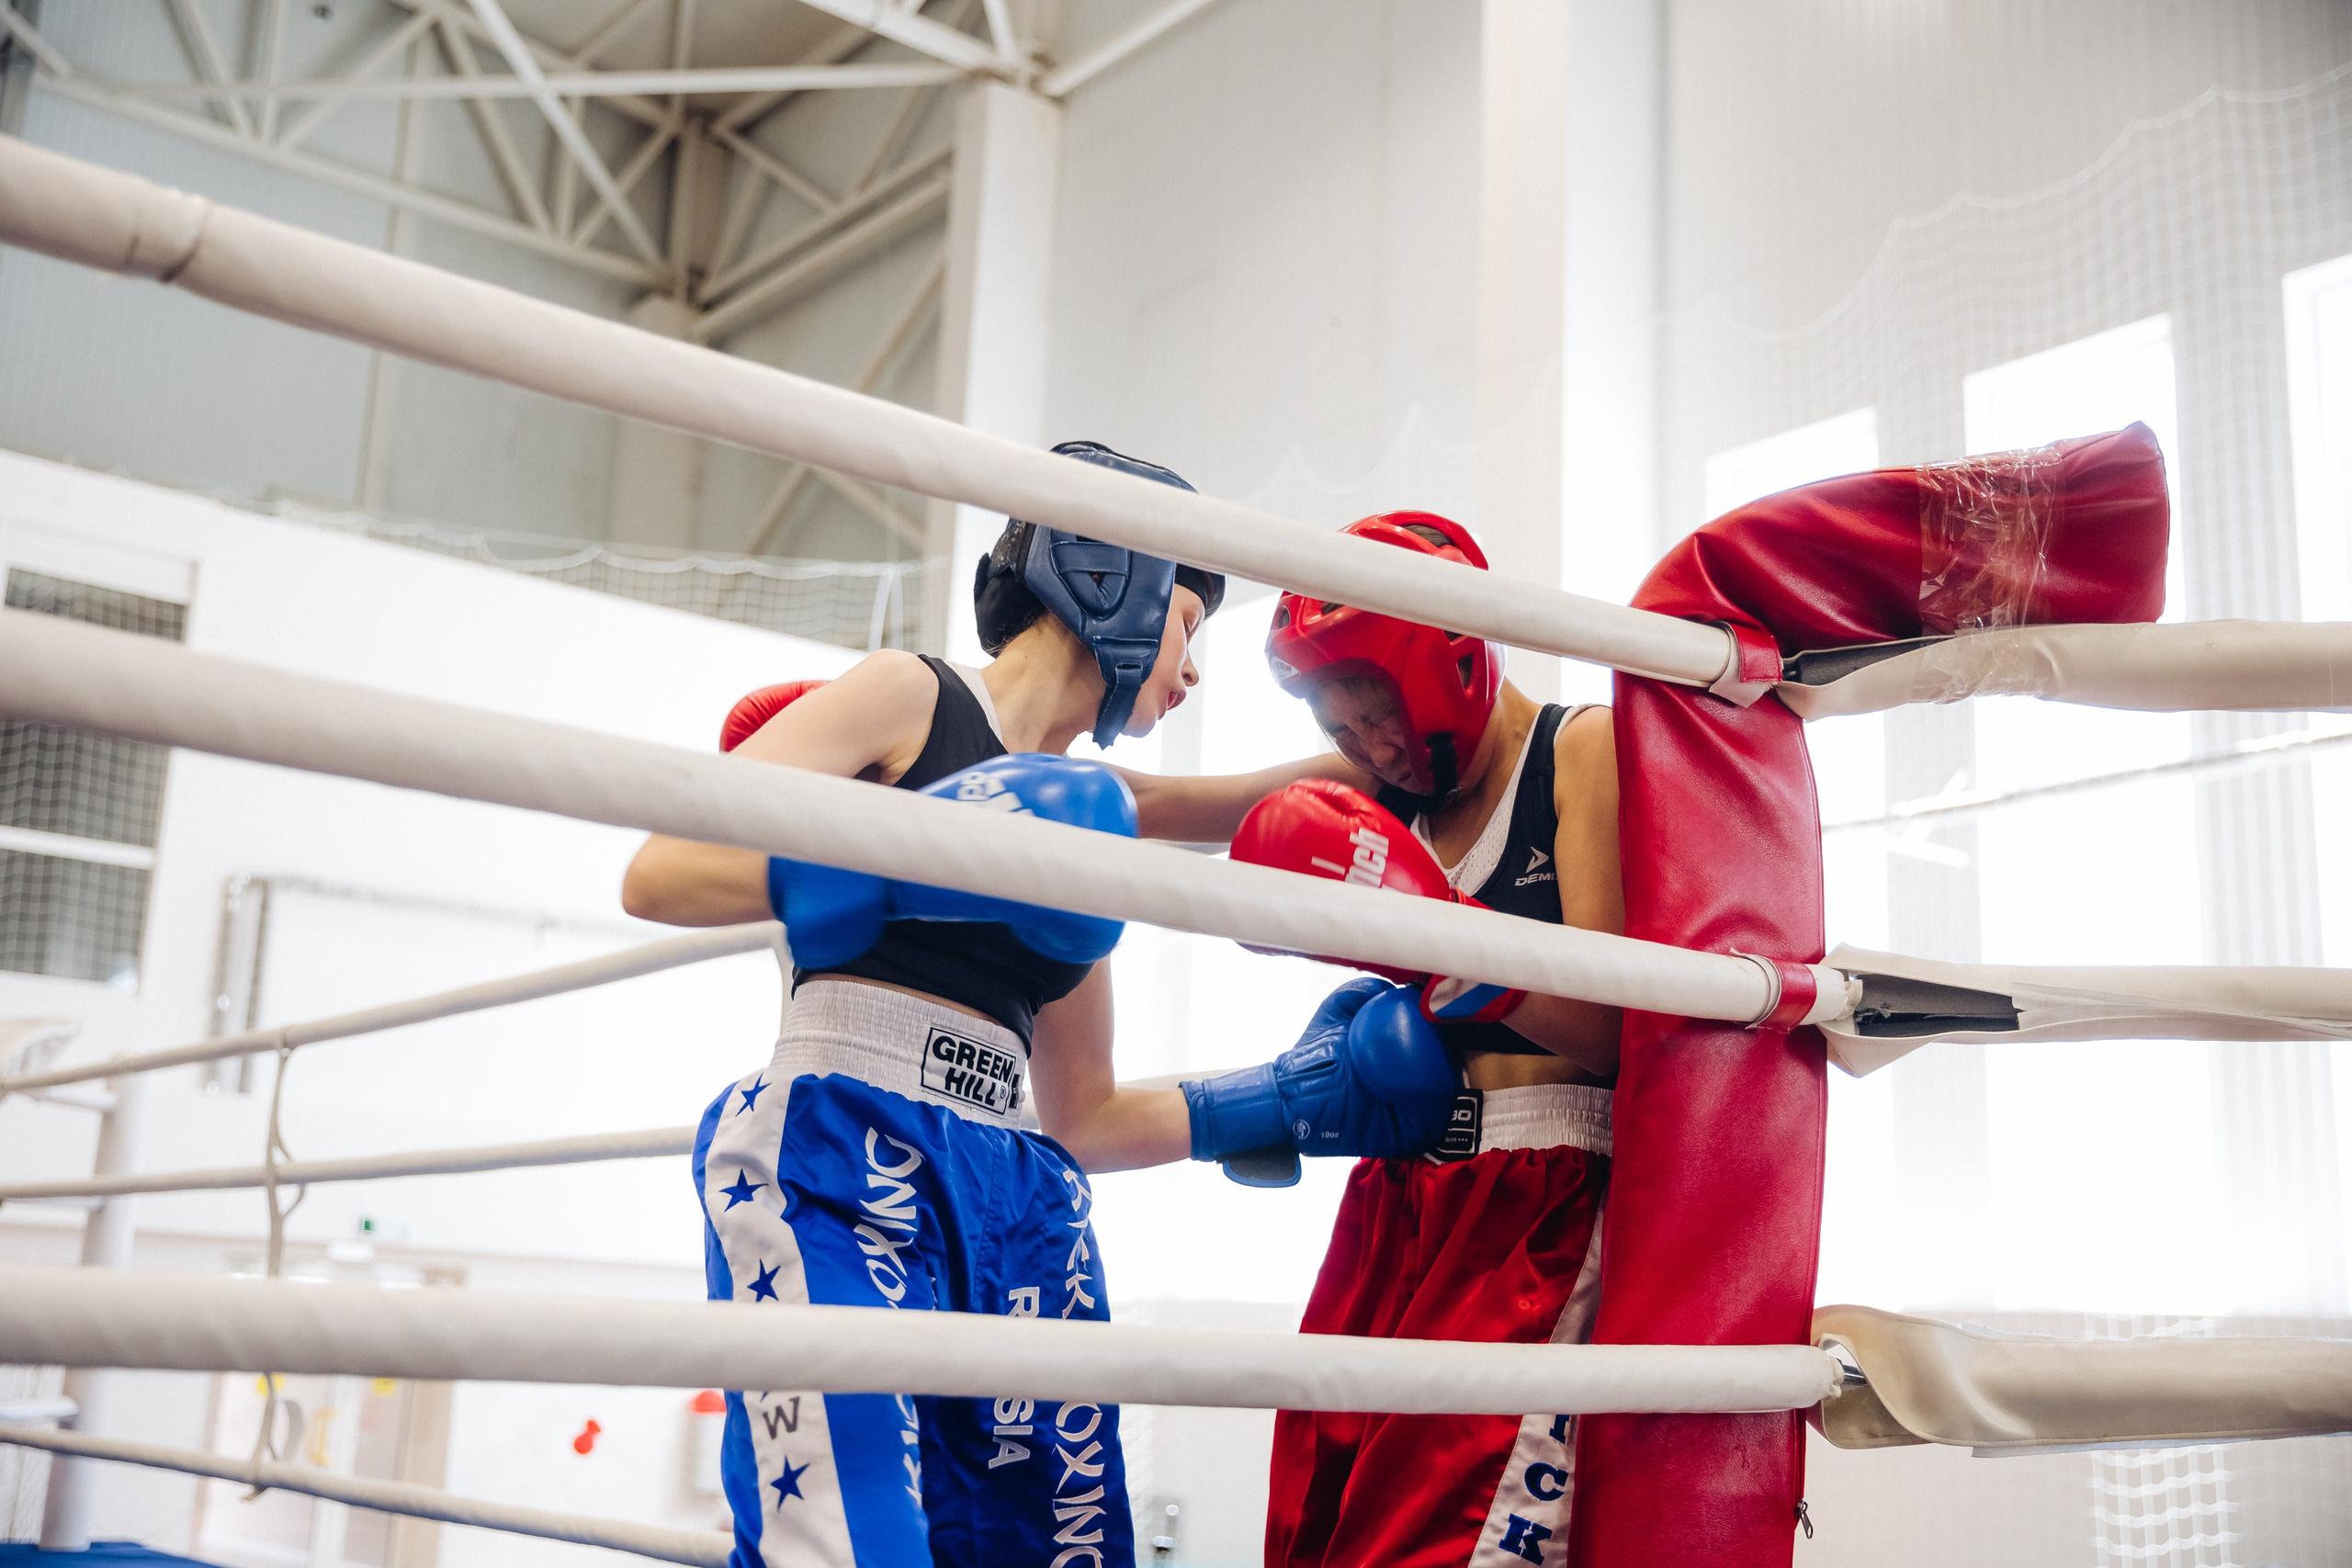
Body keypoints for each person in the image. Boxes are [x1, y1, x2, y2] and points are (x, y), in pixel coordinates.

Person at [619, 444, 1460, 1568]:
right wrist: (901, 868)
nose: (1192, 673)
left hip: (1017, 1195)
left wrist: (1289, 1099)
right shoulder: (908, 695)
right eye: (1191, 628)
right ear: (1119, 578)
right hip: (838, 1144)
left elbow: (1086, 1119)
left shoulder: (1085, 831)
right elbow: (660, 868)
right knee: (850, 1539)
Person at [1234, 512, 1623, 1568]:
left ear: (1448, 659)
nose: (1373, 751)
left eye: (1376, 719)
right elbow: (1166, 811)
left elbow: (1613, 1037)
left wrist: (1442, 945)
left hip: (1536, 1192)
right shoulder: (1376, 788)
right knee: (1312, 1525)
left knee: (1432, 1545)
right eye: (1344, 735)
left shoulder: (1577, 752)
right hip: (1398, 1191)